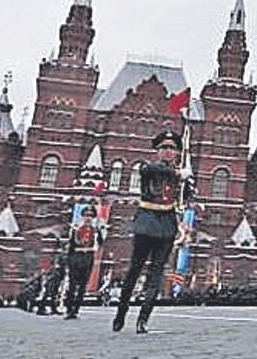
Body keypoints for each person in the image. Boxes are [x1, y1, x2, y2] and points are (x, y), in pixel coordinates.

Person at [112, 130, 192, 334]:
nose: (167, 151)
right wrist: (177, 174)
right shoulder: (150, 168)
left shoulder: (181, 176)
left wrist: (186, 188)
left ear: (177, 153)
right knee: (134, 270)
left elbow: (187, 196)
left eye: (172, 148)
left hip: (167, 225)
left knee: (157, 273)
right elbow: (151, 171)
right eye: (164, 147)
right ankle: (121, 312)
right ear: (157, 151)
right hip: (146, 223)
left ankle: (143, 318)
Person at [63, 204, 107, 319]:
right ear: (82, 216)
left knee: (83, 285)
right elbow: (70, 245)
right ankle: (69, 308)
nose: (88, 218)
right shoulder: (76, 228)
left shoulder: (95, 230)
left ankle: (76, 309)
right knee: (72, 285)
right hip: (76, 256)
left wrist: (101, 230)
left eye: (91, 216)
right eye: (86, 215)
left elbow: (101, 243)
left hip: (88, 257)